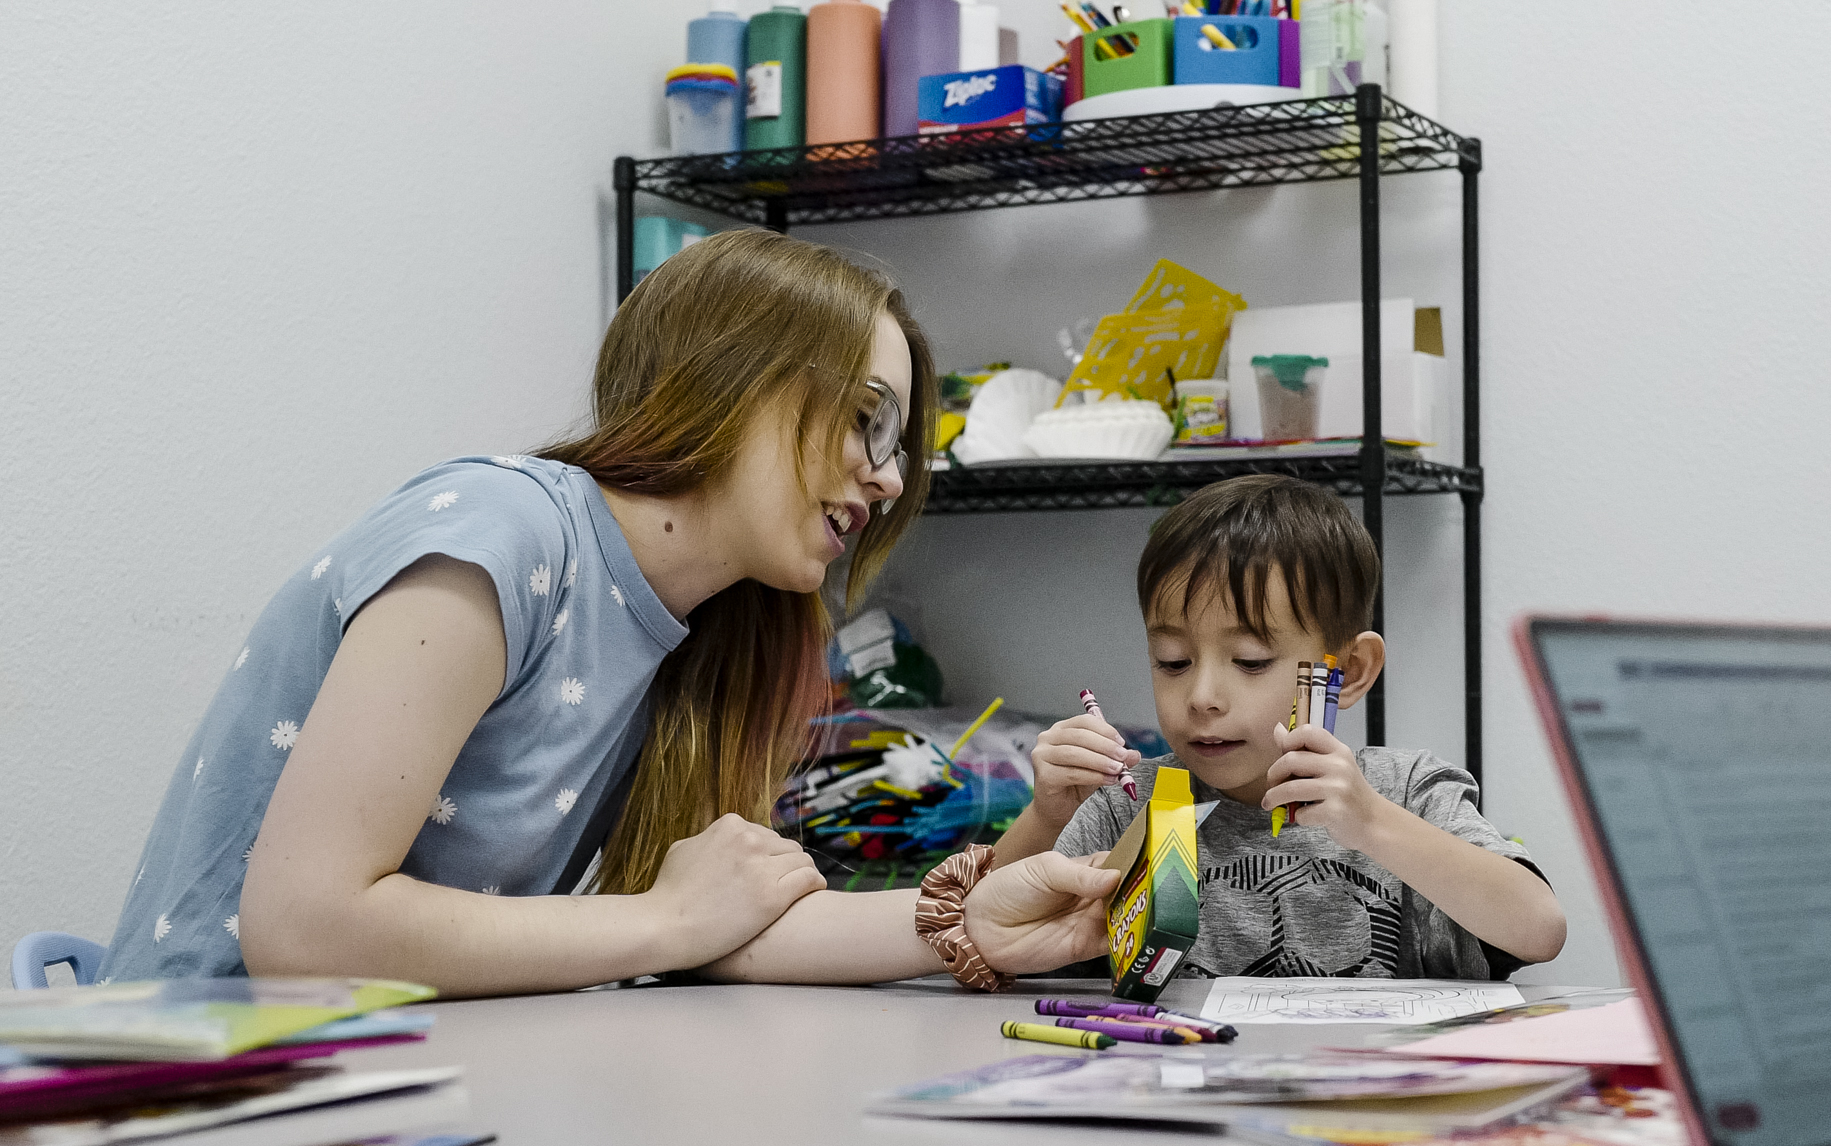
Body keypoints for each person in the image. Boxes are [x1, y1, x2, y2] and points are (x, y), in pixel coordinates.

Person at [99, 229, 1117, 996]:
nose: (888, 478)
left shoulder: (708, 628)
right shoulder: (498, 535)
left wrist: (968, 922)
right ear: (734, 380)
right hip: (198, 1098)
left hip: (389, 1081)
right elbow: (305, 926)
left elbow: (727, 923)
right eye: (866, 421)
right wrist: (664, 918)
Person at [994, 474, 1565, 979]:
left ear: (1349, 670)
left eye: (1250, 661)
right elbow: (974, 937)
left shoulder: (1407, 791)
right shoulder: (1124, 805)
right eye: (1173, 661)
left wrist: (1371, 822)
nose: (1202, 697)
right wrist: (1046, 817)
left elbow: (1540, 930)